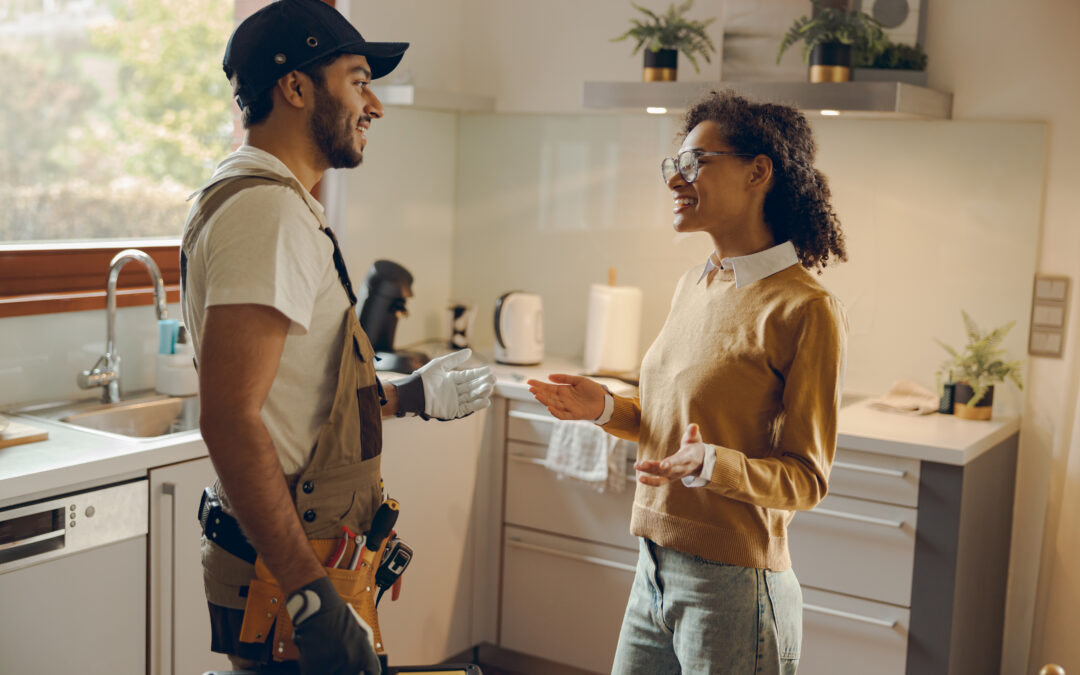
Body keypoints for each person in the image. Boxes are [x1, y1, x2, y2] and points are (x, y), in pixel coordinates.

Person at [179, 1, 495, 673]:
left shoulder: (270, 201)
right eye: (357, 79)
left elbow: (289, 401)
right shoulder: (268, 212)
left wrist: (404, 396)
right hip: (288, 580)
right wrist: (309, 594)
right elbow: (232, 419)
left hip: (312, 556)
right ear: (295, 87)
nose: (373, 104)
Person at [528, 89, 848, 675]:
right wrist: (604, 409)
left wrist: (711, 465)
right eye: (672, 164)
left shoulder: (805, 308)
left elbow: (807, 480)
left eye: (694, 163)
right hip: (651, 568)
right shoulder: (695, 285)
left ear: (758, 172)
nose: (675, 179)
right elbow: (670, 427)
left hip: (735, 590)